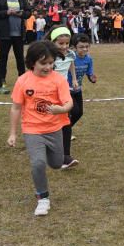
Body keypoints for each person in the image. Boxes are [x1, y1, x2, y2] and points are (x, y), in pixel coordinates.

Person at [7, 41, 73, 216]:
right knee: (38, 163)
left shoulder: (58, 79)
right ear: (32, 62)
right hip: (32, 129)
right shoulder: (23, 81)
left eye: (51, 63)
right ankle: (43, 198)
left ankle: (55, 161)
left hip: (54, 128)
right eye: (43, 63)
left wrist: (62, 109)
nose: (48, 67)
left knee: (57, 163)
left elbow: (68, 102)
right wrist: (13, 133)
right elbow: (15, 108)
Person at [46, 26, 80, 169]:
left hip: (64, 90)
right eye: (61, 44)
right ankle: (63, 156)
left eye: (67, 43)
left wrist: (73, 79)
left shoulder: (70, 53)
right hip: (50, 93)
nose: (64, 46)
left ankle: (64, 156)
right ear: (53, 42)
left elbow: (71, 65)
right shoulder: (48, 57)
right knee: (59, 121)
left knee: (75, 112)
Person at [0, 0, 32, 93]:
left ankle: (22, 78)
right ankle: (1, 79)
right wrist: (6, 12)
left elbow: (29, 12)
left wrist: (21, 14)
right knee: (3, 57)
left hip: (19, 33)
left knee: (20, 57)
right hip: (5, 33)